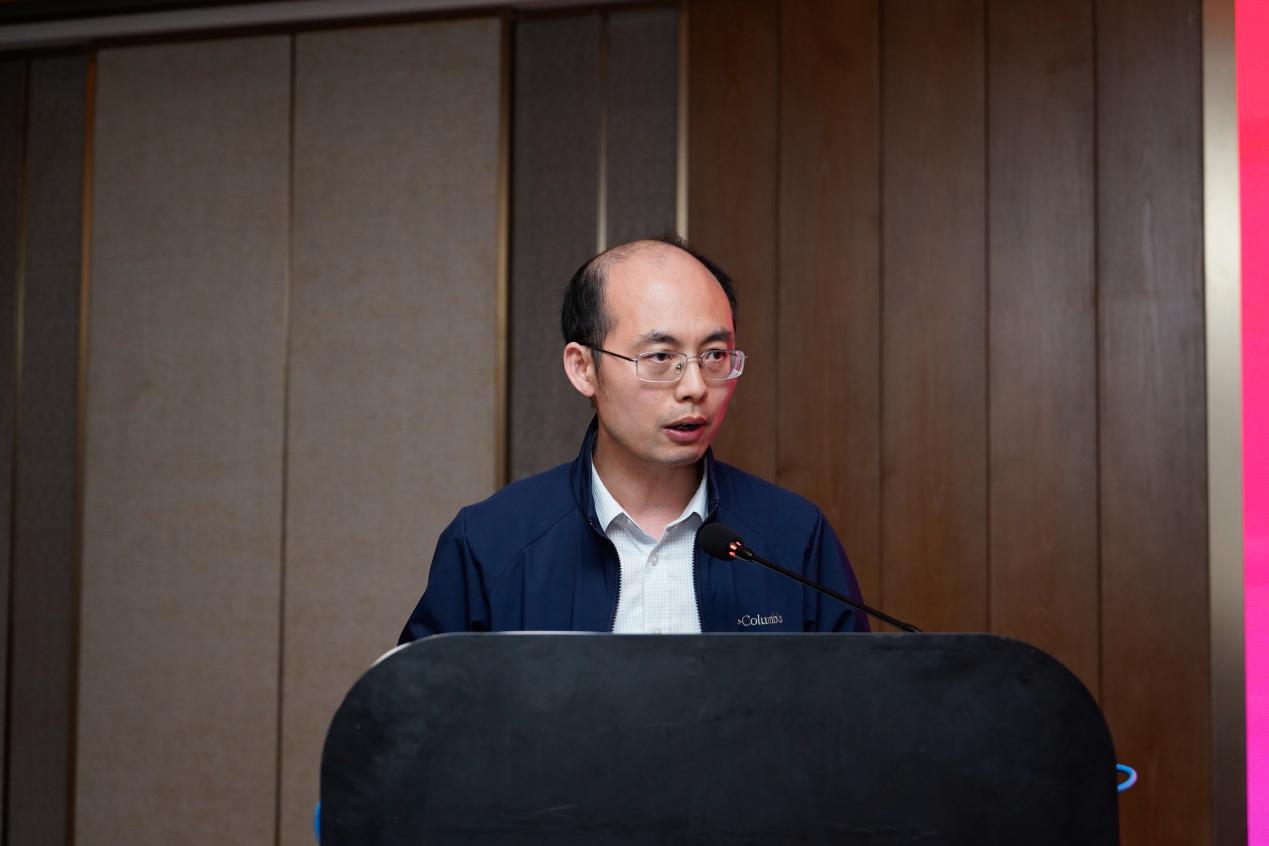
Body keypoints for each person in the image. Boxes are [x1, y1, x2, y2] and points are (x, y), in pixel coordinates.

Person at [398, 234, 868, 642]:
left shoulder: (795, 538)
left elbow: (854, 707)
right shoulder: (489, 543)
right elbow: (423, 709)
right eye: (660, 357)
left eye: (714, 355)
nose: (695, 387)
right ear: (583, 368)